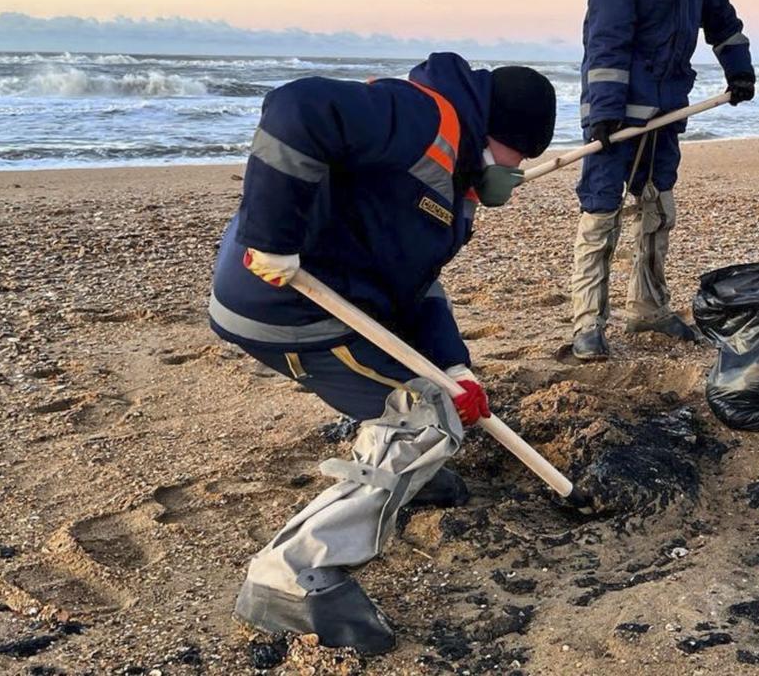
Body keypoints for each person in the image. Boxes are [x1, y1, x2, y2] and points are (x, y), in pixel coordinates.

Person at [208, 53, 557, 653]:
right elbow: (297, 109)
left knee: (439, 399)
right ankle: (288, 572)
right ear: (498, 133)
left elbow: (418, 286)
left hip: (348, 308)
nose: (516, 174)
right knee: (424, 418)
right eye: (517, 158)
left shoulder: (458, 187)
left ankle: (405, 476)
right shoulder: (420, 117)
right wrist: (273, 238)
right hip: (289, 306)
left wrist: (454, 366)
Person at [570, 0, 755, 361]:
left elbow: (725, 23)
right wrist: (605, 112)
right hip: (619, 112)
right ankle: (588, 324)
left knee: (657, 208)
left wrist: (739, 71)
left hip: (668, 111)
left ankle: (648, 308)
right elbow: (605, 40)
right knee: (601, 211)